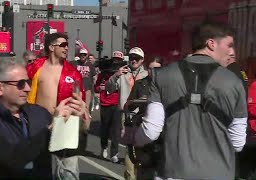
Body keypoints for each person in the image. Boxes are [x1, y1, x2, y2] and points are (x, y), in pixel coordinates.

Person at [135, 21, 247, 179]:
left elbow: (150, 131)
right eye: (229, 45)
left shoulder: (162, 75)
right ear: (211, 44)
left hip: (174, 172)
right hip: (219, 174)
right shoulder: (235, 82)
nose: (232, 51)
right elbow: (237, 142)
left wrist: (133, 137)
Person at [0, 57, 85, 179]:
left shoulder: (40, 113)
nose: (28, 88)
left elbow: (65, 151)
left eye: (28, 82)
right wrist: (48, 131)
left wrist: (74, 122)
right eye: (21, 84)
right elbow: (10, 162)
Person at [26, 32, 90, 179]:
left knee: (68, 169)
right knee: (41, 168)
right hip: (40, 124)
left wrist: (82, 116)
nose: (67, 48)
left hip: (65, 124)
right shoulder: (35, 67)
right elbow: (21, 90)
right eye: (63, 45)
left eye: (67, 45)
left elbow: (80, 99)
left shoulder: (73, 73)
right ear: (51, 47)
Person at [105, 47, 148, 179]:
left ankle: (137, 173)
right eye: (132, 58)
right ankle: (130, 175)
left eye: (137, 58)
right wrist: (115, 75)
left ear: (142, 60)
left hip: (143, 117)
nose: (134, 60)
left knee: (141, 149)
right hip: (126, 117)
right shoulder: (122, 73)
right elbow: (108, 89)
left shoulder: (147, 75)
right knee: (130, 149)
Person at [94, 51, 123, 163]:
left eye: (119, 60)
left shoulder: (122, 74)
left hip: (116, 104)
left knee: (116, 130)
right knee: (105, 129)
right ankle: (104, 147)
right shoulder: (103, 74)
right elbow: (96, 88)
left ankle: (114, 153)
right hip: (105, 104)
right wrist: (100, 88)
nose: (116, 61)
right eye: (115, 59)